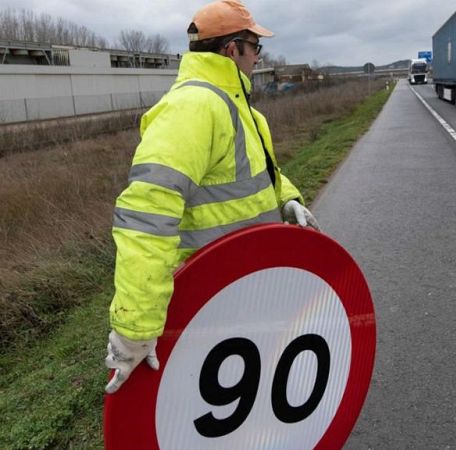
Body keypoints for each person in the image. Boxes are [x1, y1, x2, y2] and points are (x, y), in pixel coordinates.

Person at [104, 0, 320, 394]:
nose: (258, 57)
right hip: (208, 301)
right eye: (256, 47)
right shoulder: (192, 107)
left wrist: (287, 200)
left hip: (251, 286)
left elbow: (259, 176)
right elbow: (147, 216)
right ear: (232, 49)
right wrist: (134, 328)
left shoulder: (243, 112)